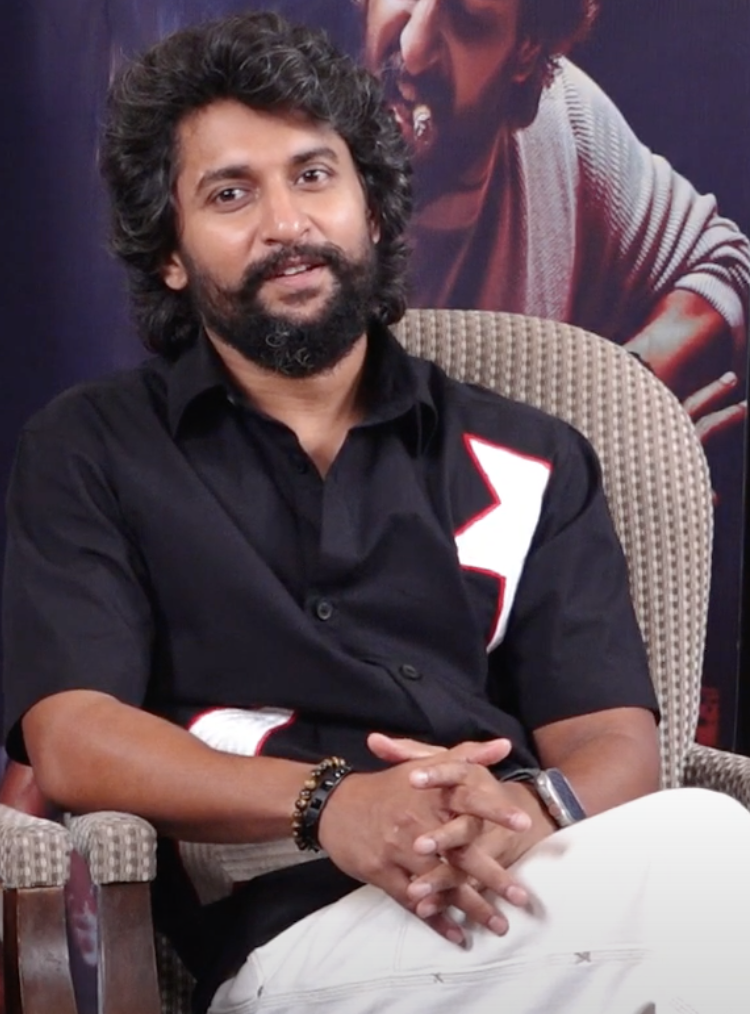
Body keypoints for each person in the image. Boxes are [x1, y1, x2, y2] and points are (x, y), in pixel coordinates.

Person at [3, 12, 750, 1014]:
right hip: (292, 933)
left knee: (706, 861)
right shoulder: (93, 449)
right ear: (170, 251)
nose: (287, 223)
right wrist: (332, 805)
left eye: (314, 175)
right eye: (231, 193)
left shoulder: (534, 454)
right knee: (718, 873)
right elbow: (73, 736)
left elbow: (610, 734)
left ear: (374, 210)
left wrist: (524, 810)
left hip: (524, 888)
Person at [358, 0, 750, 444]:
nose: (413, 49)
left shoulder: (565, 125)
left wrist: (612, 408)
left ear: (525, 53)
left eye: (467, 20)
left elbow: (723, 266)